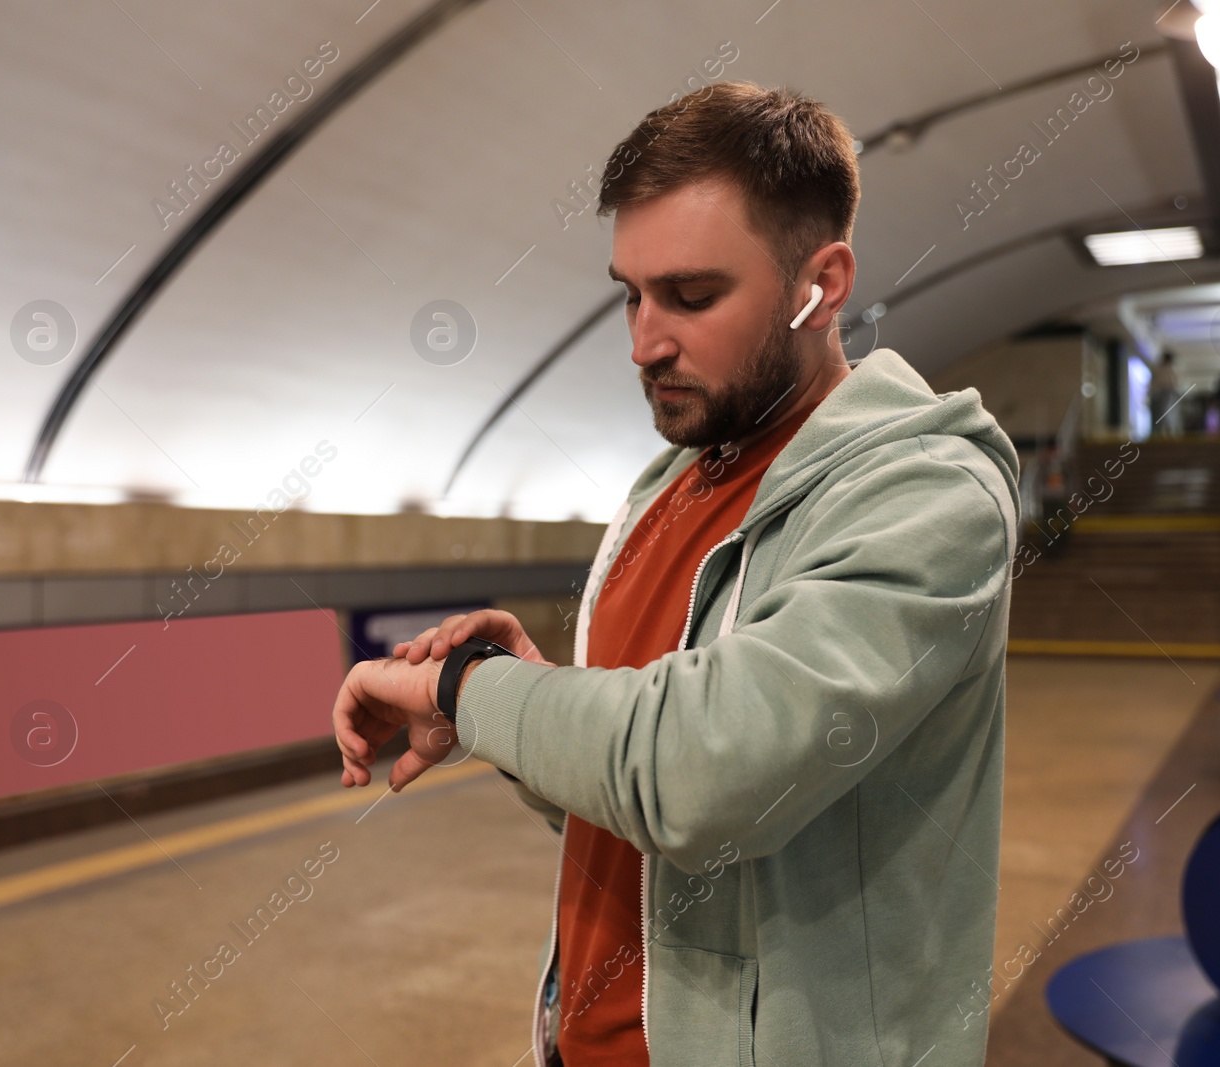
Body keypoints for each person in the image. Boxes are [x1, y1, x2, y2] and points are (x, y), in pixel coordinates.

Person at [331, 82, 1019, 1067]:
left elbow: (703, 775)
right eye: (629, 293)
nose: (644, 341)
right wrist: (526, 721)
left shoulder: (927, 495)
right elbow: (625, 802)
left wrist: (466, 685)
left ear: (821, 282)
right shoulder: (665, 488)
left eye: (691, 296)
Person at [1148, 349, 1182, 436]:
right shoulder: (1160, 369)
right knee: (1160, 418)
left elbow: (1173, 385)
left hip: (1166, 396)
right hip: (1160, 396)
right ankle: (1158, 434)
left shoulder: (1169, 370)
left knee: (1166, 417)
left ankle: (1163, 434)